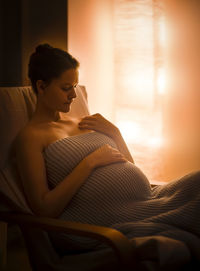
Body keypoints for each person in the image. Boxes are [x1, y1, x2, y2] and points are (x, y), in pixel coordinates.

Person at [16, 44, 200, 255]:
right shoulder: (30, 137)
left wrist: (115, 133)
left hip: (145, 199)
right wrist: (90, 162)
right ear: (41, 86)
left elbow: (129, 166)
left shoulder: (85, 122)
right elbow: (44, 209)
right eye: (66, 88)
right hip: (109, 220)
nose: (74, 95)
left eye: (75, 86)